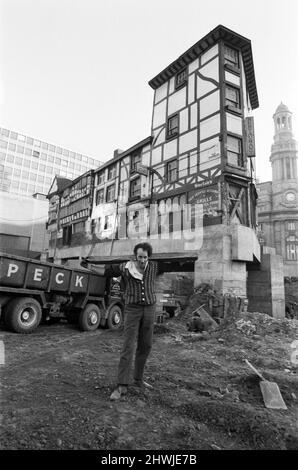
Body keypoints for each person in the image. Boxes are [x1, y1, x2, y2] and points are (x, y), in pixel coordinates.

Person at [92, 242, 161, 400]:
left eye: (145, 257)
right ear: (135, 256)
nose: (142, 260)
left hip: (150, 309)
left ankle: (138, 379)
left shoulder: (155, 266)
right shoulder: (126, 267)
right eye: (139, 257)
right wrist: (89, 266)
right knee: (128, 345)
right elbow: (107, 272)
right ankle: (122, 385)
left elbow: (177, 264)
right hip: (132, 309)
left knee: (146, 344)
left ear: (148, 257)